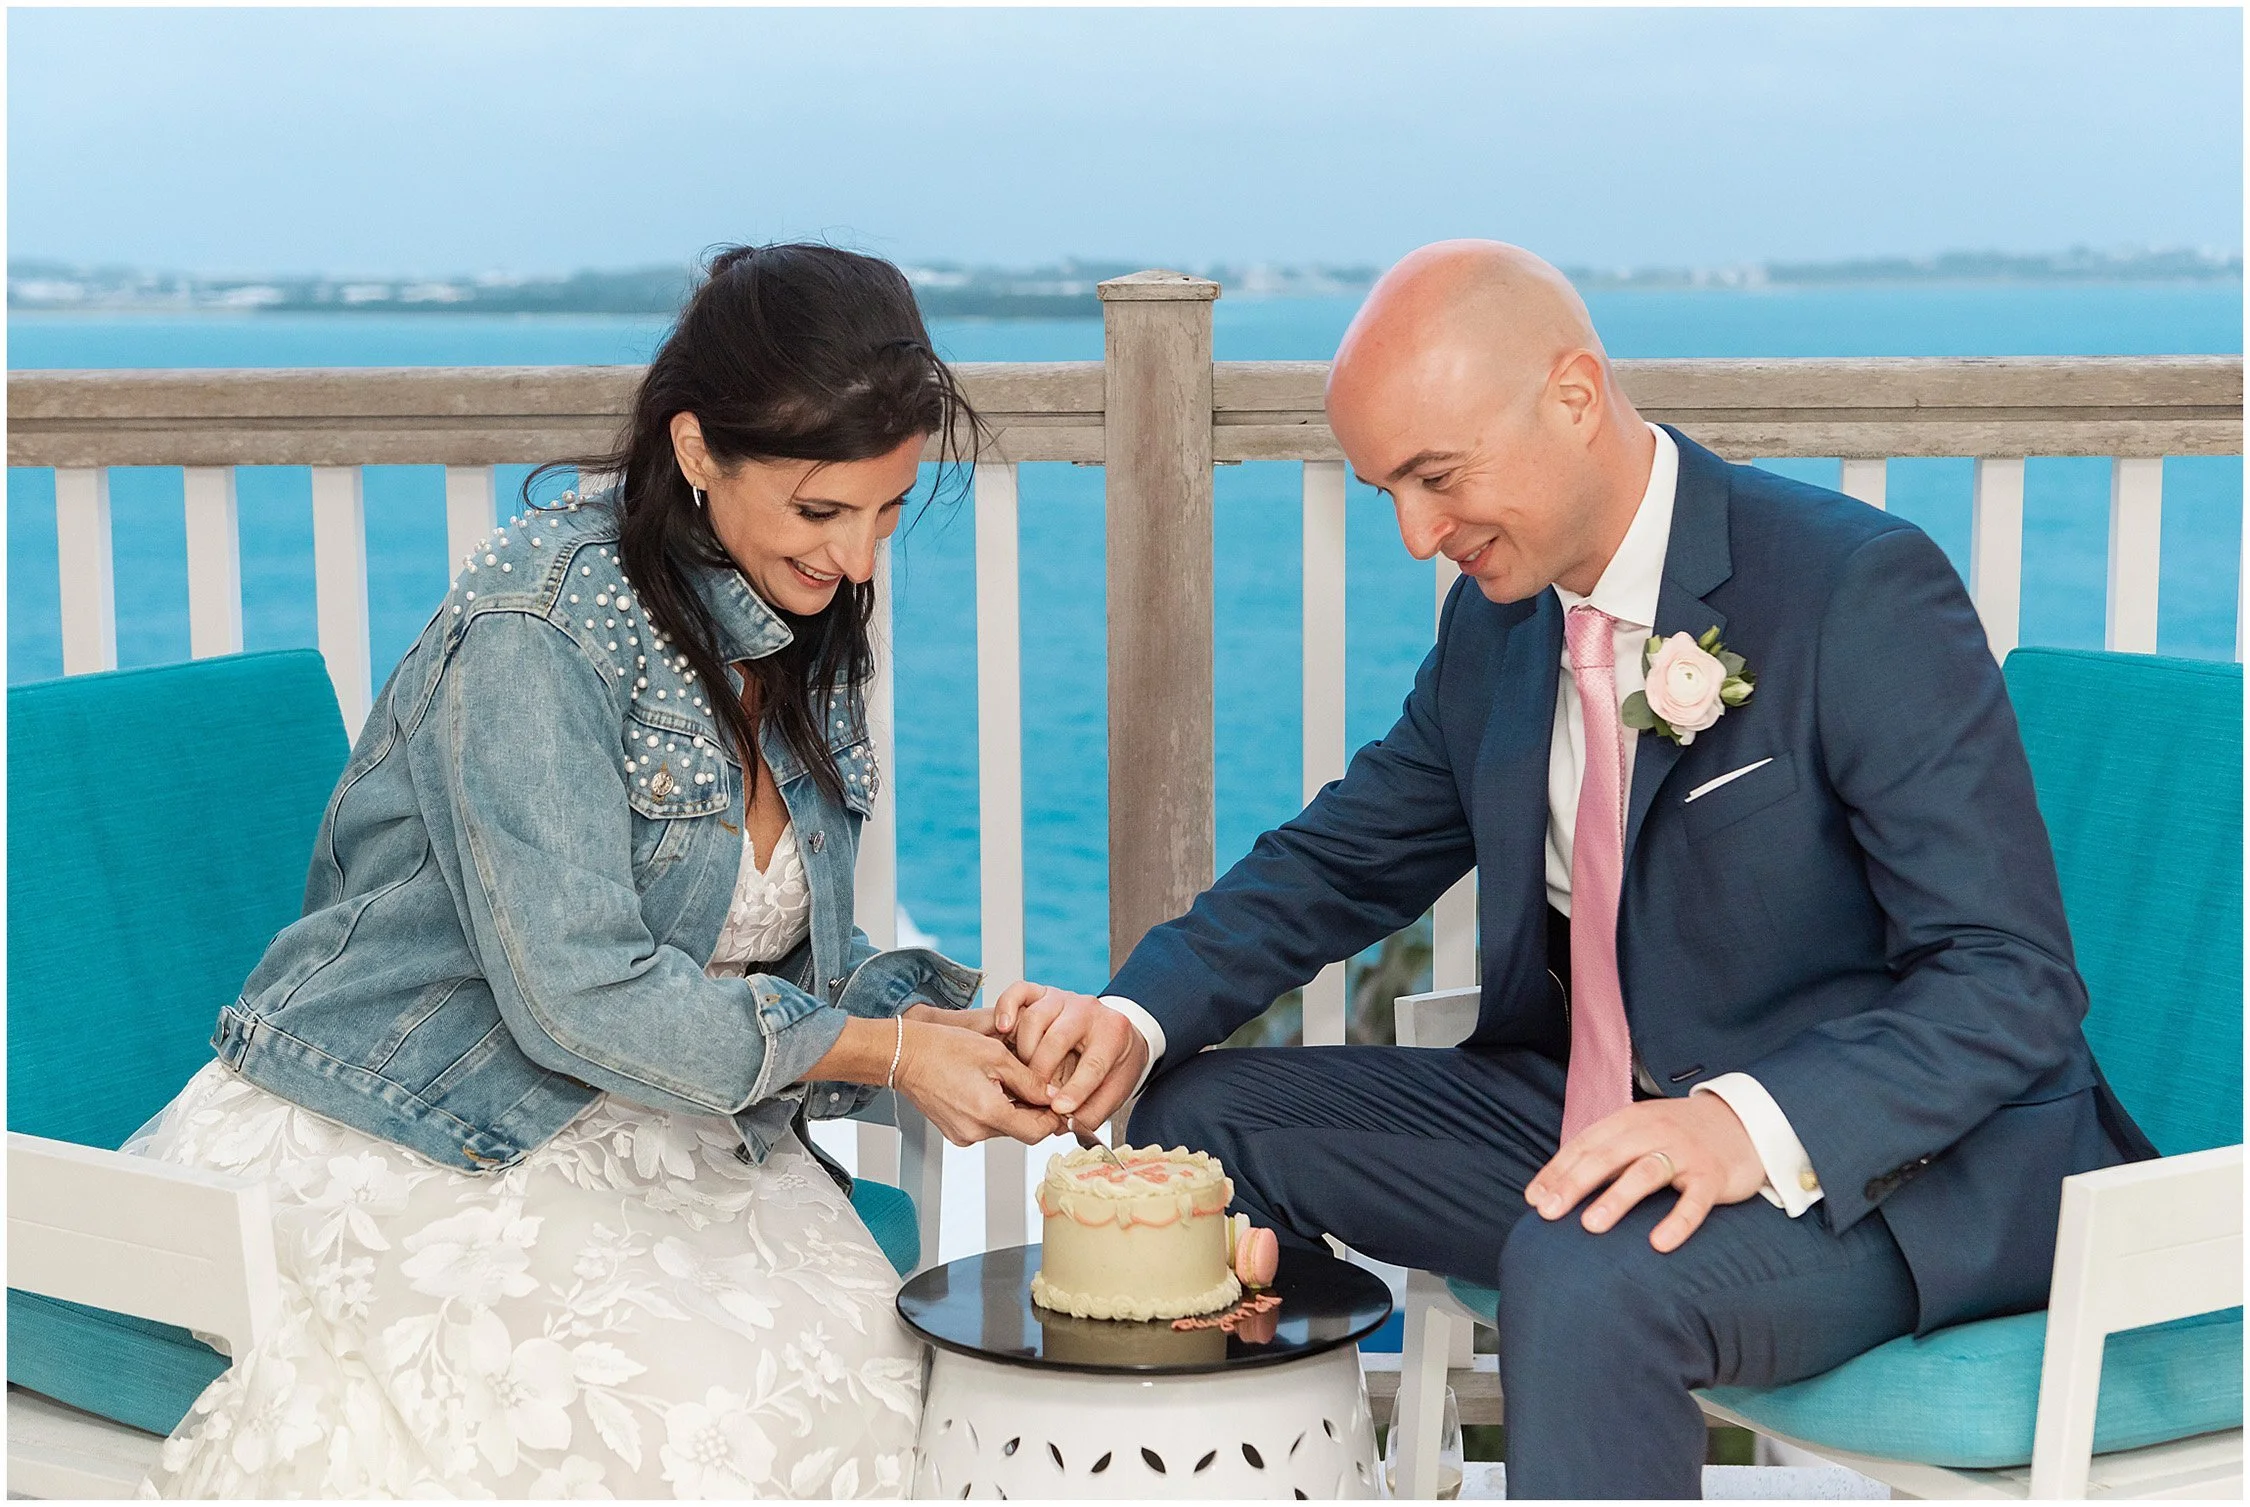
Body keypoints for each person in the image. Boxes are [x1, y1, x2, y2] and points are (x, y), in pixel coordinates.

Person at [993, 240, 2156, 1499]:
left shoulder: (1854, 591)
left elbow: (2008, 979)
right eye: (1387, 489)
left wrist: (1737, 1127)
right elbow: (1342, 857)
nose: (1415, 535)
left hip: (1896, 1176)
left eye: (1437, 478)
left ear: (1574, 395)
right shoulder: (1499, 624)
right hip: (1590, 1121)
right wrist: (1133, 1014)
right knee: (1198, 1125)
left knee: (1587, 1270)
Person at [129, 243, 1067, 1499]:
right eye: (821, 510)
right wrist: (888, 1058)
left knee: (887, 1402)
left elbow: (762, 962)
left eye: (887, 511)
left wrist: (961, 1022)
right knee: (693, 1432)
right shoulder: (540, 628)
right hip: (422, 1120)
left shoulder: (797, 614)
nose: (859, 563)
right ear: (693, 451)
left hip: (653, 1121)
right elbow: (577, 992)